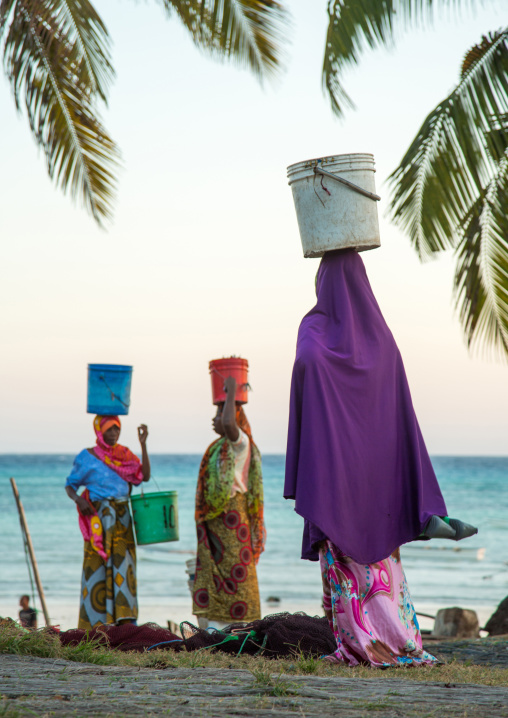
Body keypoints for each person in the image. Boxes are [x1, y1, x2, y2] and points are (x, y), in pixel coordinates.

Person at [284, 249, 477, 667]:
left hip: (334, 475)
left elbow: (305, 372)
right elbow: (399, 416)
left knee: (347, 569)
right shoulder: (383, 341)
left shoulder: (312, 332)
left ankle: (358, 645)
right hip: (379, 478)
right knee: (383, 572)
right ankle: (400, 642)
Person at [192, 376, 265, 629]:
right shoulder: (218, 447)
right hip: (216, 521)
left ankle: (242, 624)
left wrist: (232, 389)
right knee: (216, 572)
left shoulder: (240, 442)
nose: (215, 419)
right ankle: (215, 626)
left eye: (220, 413)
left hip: (233, 518)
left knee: (237, 571)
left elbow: (228, 423)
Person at [65, 415, 150, 630]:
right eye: (109, 430)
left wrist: (143, 444)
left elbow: (144, 477)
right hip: (98, 520)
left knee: (125, 567)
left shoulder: (126, 455)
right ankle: (94, 623)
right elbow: (70, 485)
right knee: (96, 568)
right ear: (99, 432)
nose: (113, 434)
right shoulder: (87, 457)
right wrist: (78, 501)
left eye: (117, 430)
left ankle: (125, 621)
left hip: (122, 520)